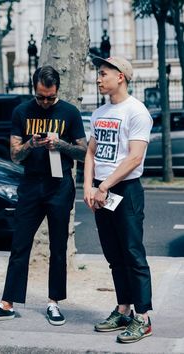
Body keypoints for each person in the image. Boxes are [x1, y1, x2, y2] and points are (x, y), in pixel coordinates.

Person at [0, 65, 87, 326]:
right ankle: (7, 304)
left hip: (60, 186)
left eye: (50, 97)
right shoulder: (22, 112)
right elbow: (14, 155)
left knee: (58, 247)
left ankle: (54, 303)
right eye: (40, 96)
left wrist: (59, 144)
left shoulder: (69, 112)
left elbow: (83, 152)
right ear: (33, 89)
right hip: (30, 185)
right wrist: (31, 144)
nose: (45, 102)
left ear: (57, 90)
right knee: (19, 244)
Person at [84, 56, 153, 343]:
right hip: (102, 190)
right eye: (98, 74)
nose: (98, 79)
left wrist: (105, 186)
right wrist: (88, 186)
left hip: (125, 190)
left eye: (103, 74)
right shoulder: (99, 112)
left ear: (120, 76)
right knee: (114, 256)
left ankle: (143, 317)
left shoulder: (137, 112)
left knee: (133, 254)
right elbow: (91, 152)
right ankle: (123, 309)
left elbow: (135, 157)